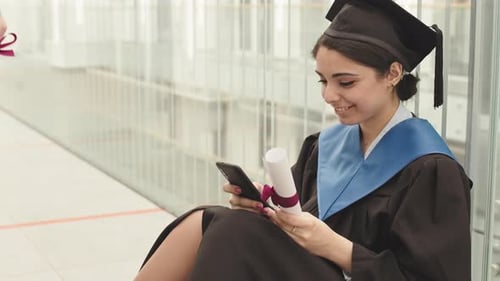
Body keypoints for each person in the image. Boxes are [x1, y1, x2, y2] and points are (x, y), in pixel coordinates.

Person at [135, 0, 472, 280]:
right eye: (323, 80)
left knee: (231, 231)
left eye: (345, 82)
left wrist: (337, 248)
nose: (329, 95)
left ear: (393, 74)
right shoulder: (325, 146)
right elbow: (292, 216)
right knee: (206, 220)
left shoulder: (430, 168)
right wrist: (264, 205)